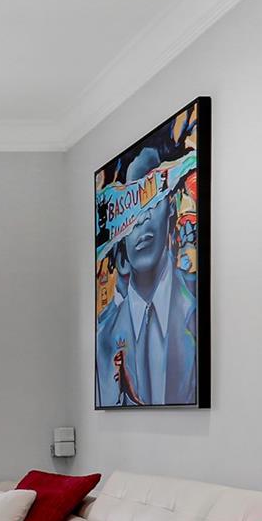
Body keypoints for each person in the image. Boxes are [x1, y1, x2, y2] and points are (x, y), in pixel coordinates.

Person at [96, 146, 198, 406]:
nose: (141, 220)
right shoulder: (103, 338)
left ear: (171, 208)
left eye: (151, 199)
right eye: (131, 212)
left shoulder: (198, 311)